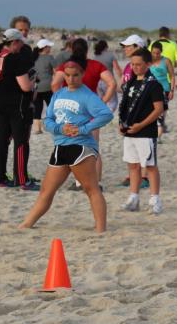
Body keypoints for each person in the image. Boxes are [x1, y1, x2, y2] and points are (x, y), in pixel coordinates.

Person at [19, 61, 113, 232]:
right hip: (60, 147)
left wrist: (84, 129)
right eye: (67, 75)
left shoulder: (87, 95)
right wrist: (60, 128)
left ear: (82, 74)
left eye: (75, 75)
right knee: (46, 190)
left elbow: (106, 115)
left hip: (81, 147)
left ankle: (101, 229)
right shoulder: (58, 94)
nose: (71, 79)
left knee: (91, 189)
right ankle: (26, 224)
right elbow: (48, 120)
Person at [51, 39, 116, 188]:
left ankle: (79, 182)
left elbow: (54, 84)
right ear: (87, 50)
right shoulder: (96, 65)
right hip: (90, 110)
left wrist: (60, 100)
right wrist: (103, 102)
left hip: (70, 110)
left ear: (71, 49)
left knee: (73, 146)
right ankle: (96, 182)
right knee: (93, 147)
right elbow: (112, 83)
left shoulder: (66, 67)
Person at [0, 28, 36, 189]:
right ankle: (21, 180)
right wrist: (34, 80)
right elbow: (25, 86)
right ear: (14, 42)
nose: (21, 46)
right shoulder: (14, 59)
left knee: (1, 140)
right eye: (20, 43)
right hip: (16, 105)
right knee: (21, 141)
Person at [118, 48, 166, 214]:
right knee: (132, 165)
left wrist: (142, 124)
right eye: (132, 64)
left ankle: (155, 199)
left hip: (145, 132)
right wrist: (121, 123)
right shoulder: (130, 83)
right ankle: (134, 197)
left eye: (139, 64)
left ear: (148, 64)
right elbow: (124, 105)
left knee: (150, 165)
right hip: (130, 131)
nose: (135, 67)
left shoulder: (153, 84)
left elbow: (158, 109)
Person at [148, 41, 175, 133]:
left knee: (161, 113)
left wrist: (172, 90)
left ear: (161, 52)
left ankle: (160, 129)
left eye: (158, 53)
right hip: (150, 90)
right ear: (151, 52)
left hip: (164, 89)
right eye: (154, 53)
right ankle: (156, 128)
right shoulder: (148, 61)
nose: (156, 55)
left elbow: (172, 76)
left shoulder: (166, 61)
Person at [32, 38, 56, 134]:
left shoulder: (33, 57)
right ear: (45, 48)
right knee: (51, 106)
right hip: (48, 86)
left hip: (36, 87)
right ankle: (50, 126)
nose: (50, 48)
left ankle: (37, 128)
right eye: (49, 46)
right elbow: (56, 70)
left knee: (37, 108)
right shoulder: (50, 57)